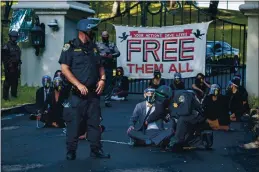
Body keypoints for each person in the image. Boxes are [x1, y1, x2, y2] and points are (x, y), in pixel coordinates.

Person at [59, 17, 110, 160]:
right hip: (77, 94)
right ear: (84, 31)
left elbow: (100, 66)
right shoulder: (70, 47)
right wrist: (78, 84)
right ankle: (71, 151)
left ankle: (96, 150)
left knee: (94, 123)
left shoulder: (93, 48)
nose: (94, 32)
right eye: (92, 30)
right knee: (74, 124)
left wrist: (103, 79)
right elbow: (64, 68)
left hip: (93, 94)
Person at [97, 31, 120, 107]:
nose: (105, 37)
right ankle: (97, 99)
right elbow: (94, 53)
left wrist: (112, 55)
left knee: (110, 83)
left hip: (110, 67)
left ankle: (107, 100)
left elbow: (118, 53)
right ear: (102, 36)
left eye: (106, 36)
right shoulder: (98, 44)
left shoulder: (112, 44)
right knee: (99, 83)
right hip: (100, 67)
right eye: (104, 36)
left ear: (108, 36)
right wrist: (101, 55)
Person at [1, 30, 22, 100]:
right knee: (7, 82)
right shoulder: (6, 46)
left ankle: (14, 95)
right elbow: (4, 58)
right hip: (9, 67)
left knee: (15, 82)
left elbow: (18, 57)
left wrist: (19, 64)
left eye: (15, 37)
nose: (14, 38)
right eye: (13, 37)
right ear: (10, 37)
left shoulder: (17, 47)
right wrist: (7, 67)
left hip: (16, 67)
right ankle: (5, 97)